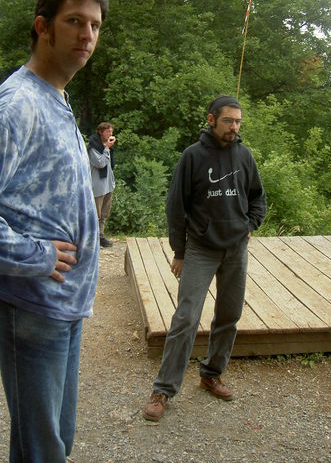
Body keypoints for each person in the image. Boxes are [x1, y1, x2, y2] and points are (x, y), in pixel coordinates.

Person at [0, 0, 109, 463]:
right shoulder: (19, 103)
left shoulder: (54, 96)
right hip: (28, 303)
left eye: (94, 25)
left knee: (54, 440)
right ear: (43, 27)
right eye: (74, 21)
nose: (87, 34)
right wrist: (35, 256)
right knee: (43, 450)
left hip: (61, 306)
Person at [143, 95, 266, 422]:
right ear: (211, 120)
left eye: (238, 121)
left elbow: (258, 198)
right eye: (228, 121)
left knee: (229, 314)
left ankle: (211, 373)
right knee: (186, 318)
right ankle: (163, 389)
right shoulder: (193, 157)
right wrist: (179, 251)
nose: (234, 127)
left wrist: (249, 226)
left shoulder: (244, 156)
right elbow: (176, 207)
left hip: (236, 249)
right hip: (200, 248)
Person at [88, 121, 116, 247]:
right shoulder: (93, 147)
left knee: (104, 214)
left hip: (108, 185)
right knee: (96, 214)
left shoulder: (106, 147)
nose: (110, 134)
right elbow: (100, 163)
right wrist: (107, 148)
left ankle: (101, 236)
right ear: (100, 132)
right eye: (108, 131)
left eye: (111, 131)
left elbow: (109, 166)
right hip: (98, 186)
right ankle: (92, 238)